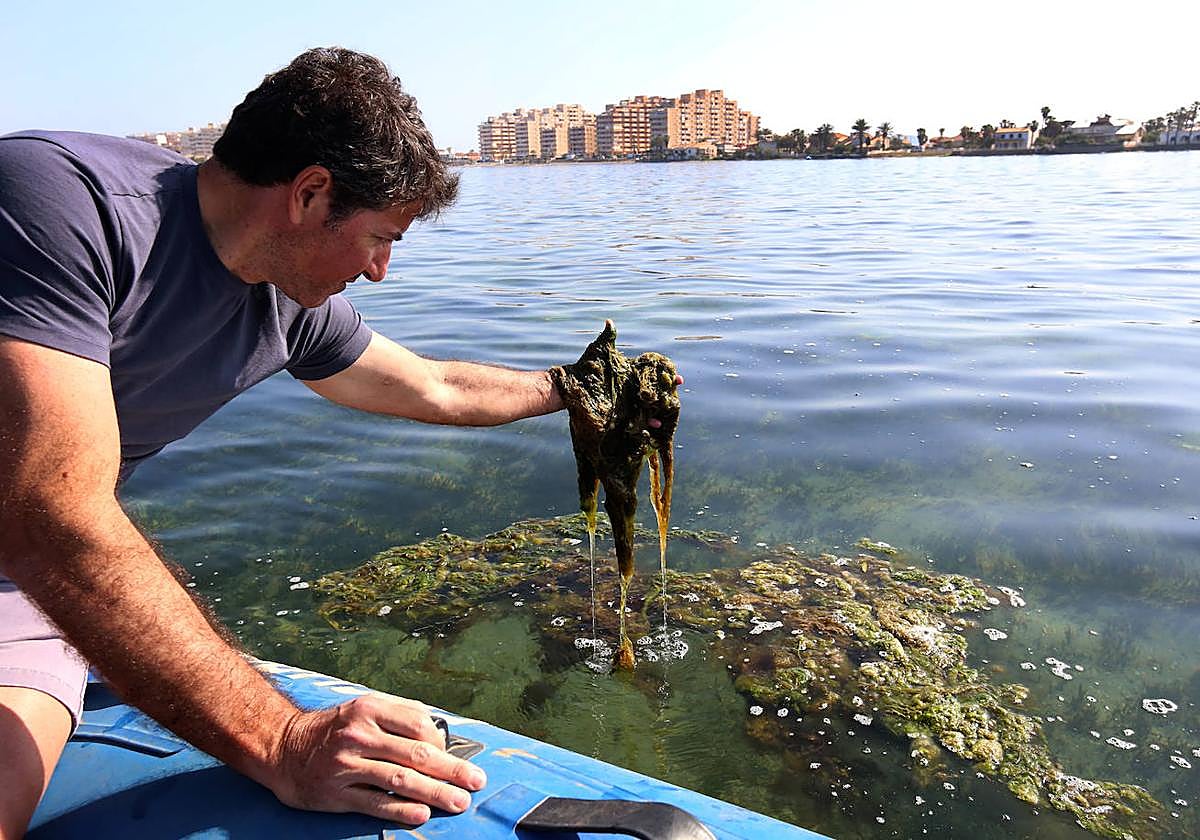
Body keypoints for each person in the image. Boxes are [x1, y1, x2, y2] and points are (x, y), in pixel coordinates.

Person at [0, 47, 655, 838]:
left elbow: (431, 387)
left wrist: (576, 387)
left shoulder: (287, 300)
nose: (380, 271)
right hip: (36, 544)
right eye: (381, 237)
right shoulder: (57, 204)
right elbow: (52, 512)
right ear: (310, 194)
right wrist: (282, 740)